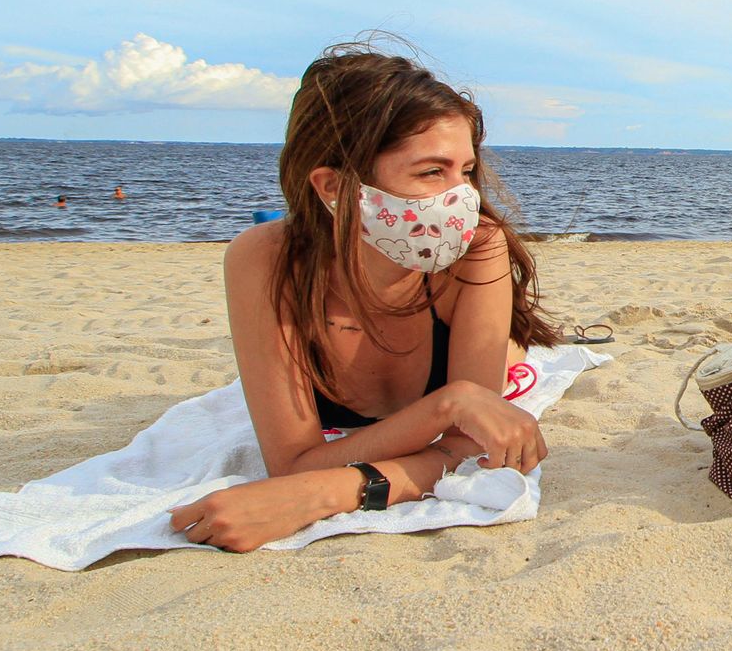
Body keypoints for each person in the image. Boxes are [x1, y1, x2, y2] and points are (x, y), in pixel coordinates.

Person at [169, 41, 561, 551]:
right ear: (333, 186)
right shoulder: (267, 261)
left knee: (511, 350)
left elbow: (472, 444)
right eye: (430, 172)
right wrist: (451, 405)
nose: (462, 198)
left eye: (465, 172)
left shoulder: (476, 247)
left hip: (465, 329)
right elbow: (290, 463)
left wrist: (329, 490)